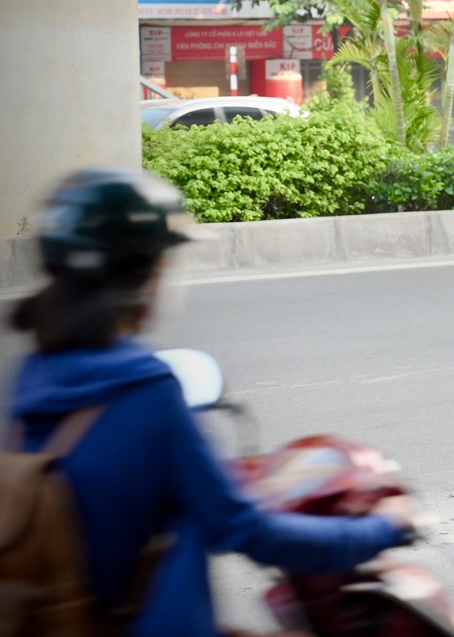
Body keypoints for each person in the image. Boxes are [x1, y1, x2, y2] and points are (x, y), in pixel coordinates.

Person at [6, 169, 415, 637]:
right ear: (142, 273)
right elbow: (244, 530)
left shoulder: (31, 379)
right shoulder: (144, 388)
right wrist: (380, 528)